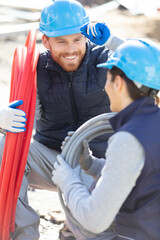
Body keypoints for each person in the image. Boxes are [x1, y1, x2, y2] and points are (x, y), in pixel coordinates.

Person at [0, 0, 124, 239]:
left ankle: (74, 227)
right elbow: (18, 116)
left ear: (87, 34)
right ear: (45, 41)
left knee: (98, 228)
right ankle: (24, 234)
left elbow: (152, 66)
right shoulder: (36, 70)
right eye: (61, 41)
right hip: (53, 161)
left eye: (77, 39)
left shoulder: (109, 61)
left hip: (99, 166)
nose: (71, 49)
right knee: (2, 147)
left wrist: (112, 41)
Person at [52, 38, 160, 240]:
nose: (105, 87)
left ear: (118, 83)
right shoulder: (152, 125)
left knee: (85, 229)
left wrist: (67, 180)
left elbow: (94, 219)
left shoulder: (129, 138)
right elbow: (143, 178)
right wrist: (92, 165)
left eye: (107, 78)